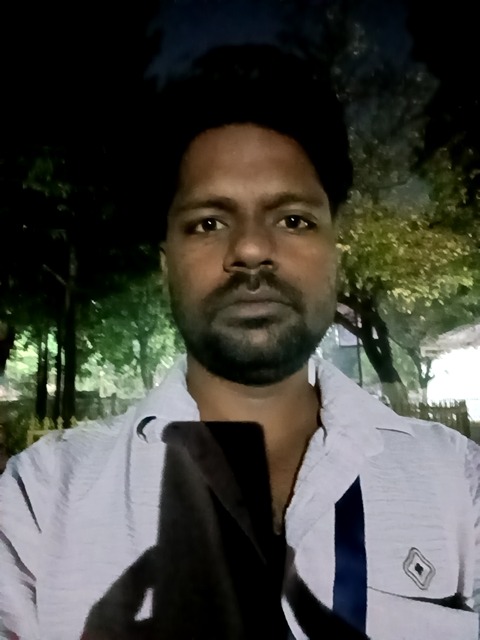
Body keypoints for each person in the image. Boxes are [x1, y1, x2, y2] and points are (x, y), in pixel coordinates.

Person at [1, 44, 479, 640]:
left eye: (293, 220)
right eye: (209, 222)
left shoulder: (459, 484)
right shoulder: (38, 504)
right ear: (167, 264)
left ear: (334, 250)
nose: (251, 249)